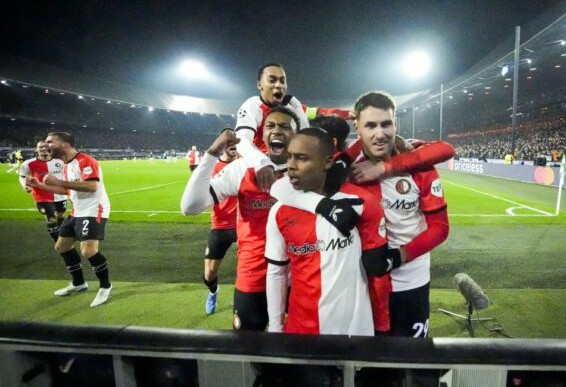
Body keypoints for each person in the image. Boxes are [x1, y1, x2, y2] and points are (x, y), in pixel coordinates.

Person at [270, 91, 450, 338]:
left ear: (396, 123)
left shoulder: (418, 165)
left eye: (386, 124)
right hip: (363, 288)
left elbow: (440, 228)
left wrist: (398, 256)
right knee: (370, 368)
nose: (380, 133)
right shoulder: (344, 168)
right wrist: (324, 206)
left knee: (413, 366)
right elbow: (280, 188)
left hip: (411, 282)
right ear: (358, 127)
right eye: (370, 125)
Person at [182, 107, 361, 331]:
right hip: (253, 276)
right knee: (250, 350)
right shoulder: (242, 168)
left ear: (297, 135)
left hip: (301, 279)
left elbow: (349, 155)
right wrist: (211, 153)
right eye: (270, 125)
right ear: (263, 132)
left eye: (285, 126)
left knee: (298, 351)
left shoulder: (311, 169)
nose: (277, 130)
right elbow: (189, 206)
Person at [266, 128, 400, 336]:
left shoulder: (360, 203)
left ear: (328, 162)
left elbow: (377, 273)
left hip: (355, 331)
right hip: (301, 331)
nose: (291, 165)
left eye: (302, 158)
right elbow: (276, 273)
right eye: (290, 156)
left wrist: (382, 326)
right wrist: (275, 330)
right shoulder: (278, 211)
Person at [234, 62, 353, 192]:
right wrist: (261, 162)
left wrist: (348, 113)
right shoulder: (252, 106)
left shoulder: (292, 107)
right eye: (272, 80)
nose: (278, 85)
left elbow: (316, 112)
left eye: (282, 81)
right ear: (259, 85)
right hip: (259, 172)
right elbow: (241, 141)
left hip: (288, 170)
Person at [26, 132, 113, 308]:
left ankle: (105, 286)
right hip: (77, 210)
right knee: (61, 246)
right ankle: (79, 283)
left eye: (50, 141)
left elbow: (91, 185)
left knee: (88, 251)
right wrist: (40, 185)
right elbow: (69, 191)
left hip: (94, 209)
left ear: (65, 144)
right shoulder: (66, 165)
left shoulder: (85, 160)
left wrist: (58, 181)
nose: (46, 144)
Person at [203, 130, 239, 315]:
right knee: (209, 274)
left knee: (253, 270)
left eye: (236, 141)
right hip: (220, 225)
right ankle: (213, 291)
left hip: (244, 225)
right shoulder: (212, 168)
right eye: (229, 142)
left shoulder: (245, 165)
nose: (233, 145)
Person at [19, 140, 68, 242]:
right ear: (36, 149)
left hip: (60, 195)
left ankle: (63, 238)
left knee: (60, 215)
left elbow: (68, 175)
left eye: (46, 147)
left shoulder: (60, 162)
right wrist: (25, 186)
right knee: (51, 218)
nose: (44, 149)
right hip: (41, 195)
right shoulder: (28, 163)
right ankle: (59, 242)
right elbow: (22, 176)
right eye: (41, 147)